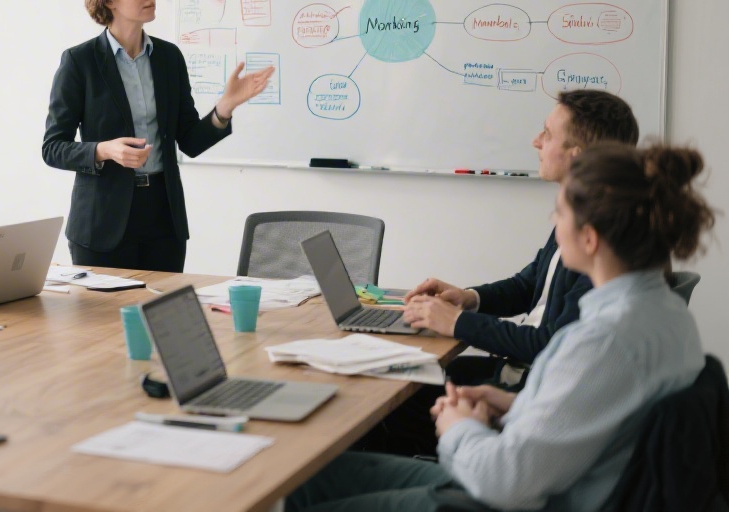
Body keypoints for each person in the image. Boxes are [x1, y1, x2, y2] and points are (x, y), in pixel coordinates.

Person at [287, 141, 713, 511]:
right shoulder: (664, 314)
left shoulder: (603, 340)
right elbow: (600, 417)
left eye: (559, 212)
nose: (554, 223)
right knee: (312, 478)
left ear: (590, 238)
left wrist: (458, 428)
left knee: (298, 494)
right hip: (553, 482)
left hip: (515, 500)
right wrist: (512, 405)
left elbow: (505, 482)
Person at [358, 90, 640, 456]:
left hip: (528, 388)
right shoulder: (579, 212)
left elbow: (549, 344)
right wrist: (468, 298)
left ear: (579, 156)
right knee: (395, 383)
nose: (535, 141)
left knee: (384, 407)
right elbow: (528, 285)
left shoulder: (602, 245)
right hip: (520, 377)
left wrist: (457, 322)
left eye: (548, 134)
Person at [42, 0, 274, 272]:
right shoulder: (80, 62)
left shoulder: (168, 58)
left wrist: (226, 106)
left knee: (163, 318)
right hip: (102, 223)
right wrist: (104, 150)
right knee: (105, 322)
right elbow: (53, 148)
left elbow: (189, 140)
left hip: (164, 220)